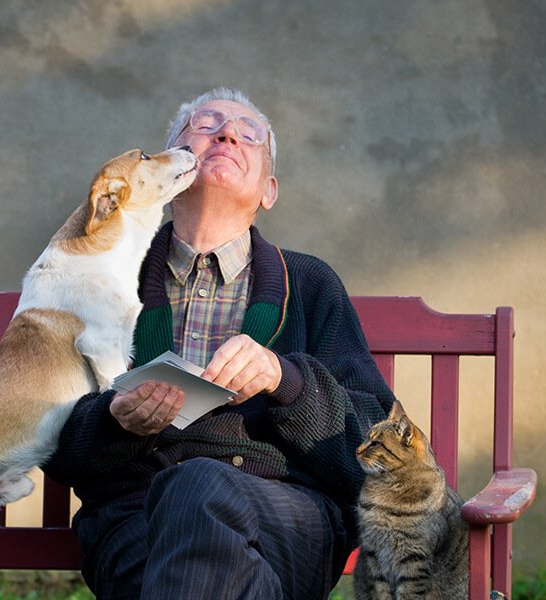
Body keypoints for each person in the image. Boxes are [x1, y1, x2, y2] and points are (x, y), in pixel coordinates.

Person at [43, 88, 396, 600]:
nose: (227, 134)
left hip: (286, 519)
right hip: (136, 520)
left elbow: (372, 447)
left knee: (198, 488)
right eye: (205, 125)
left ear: (268, 191)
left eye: (248, 134)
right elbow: (54, 442)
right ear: (172, 169)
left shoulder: (311, 284)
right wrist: (114, 421)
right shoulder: (105, 283)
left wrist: (286, 381)